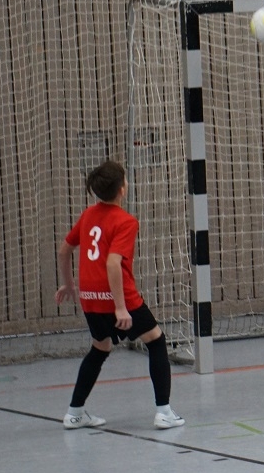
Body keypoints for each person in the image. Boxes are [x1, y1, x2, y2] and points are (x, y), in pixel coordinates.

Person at [55, 160, 184, 430]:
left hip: (90, 297)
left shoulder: (88, 215)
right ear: (122, 189)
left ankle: (74, 413)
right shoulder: (126, 221)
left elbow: (64, 250)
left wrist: (68, 285)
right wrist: (121, 307)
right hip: (118, 297)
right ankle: (164, 412)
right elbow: (113, 263)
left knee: (100, 347)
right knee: (156, 341)